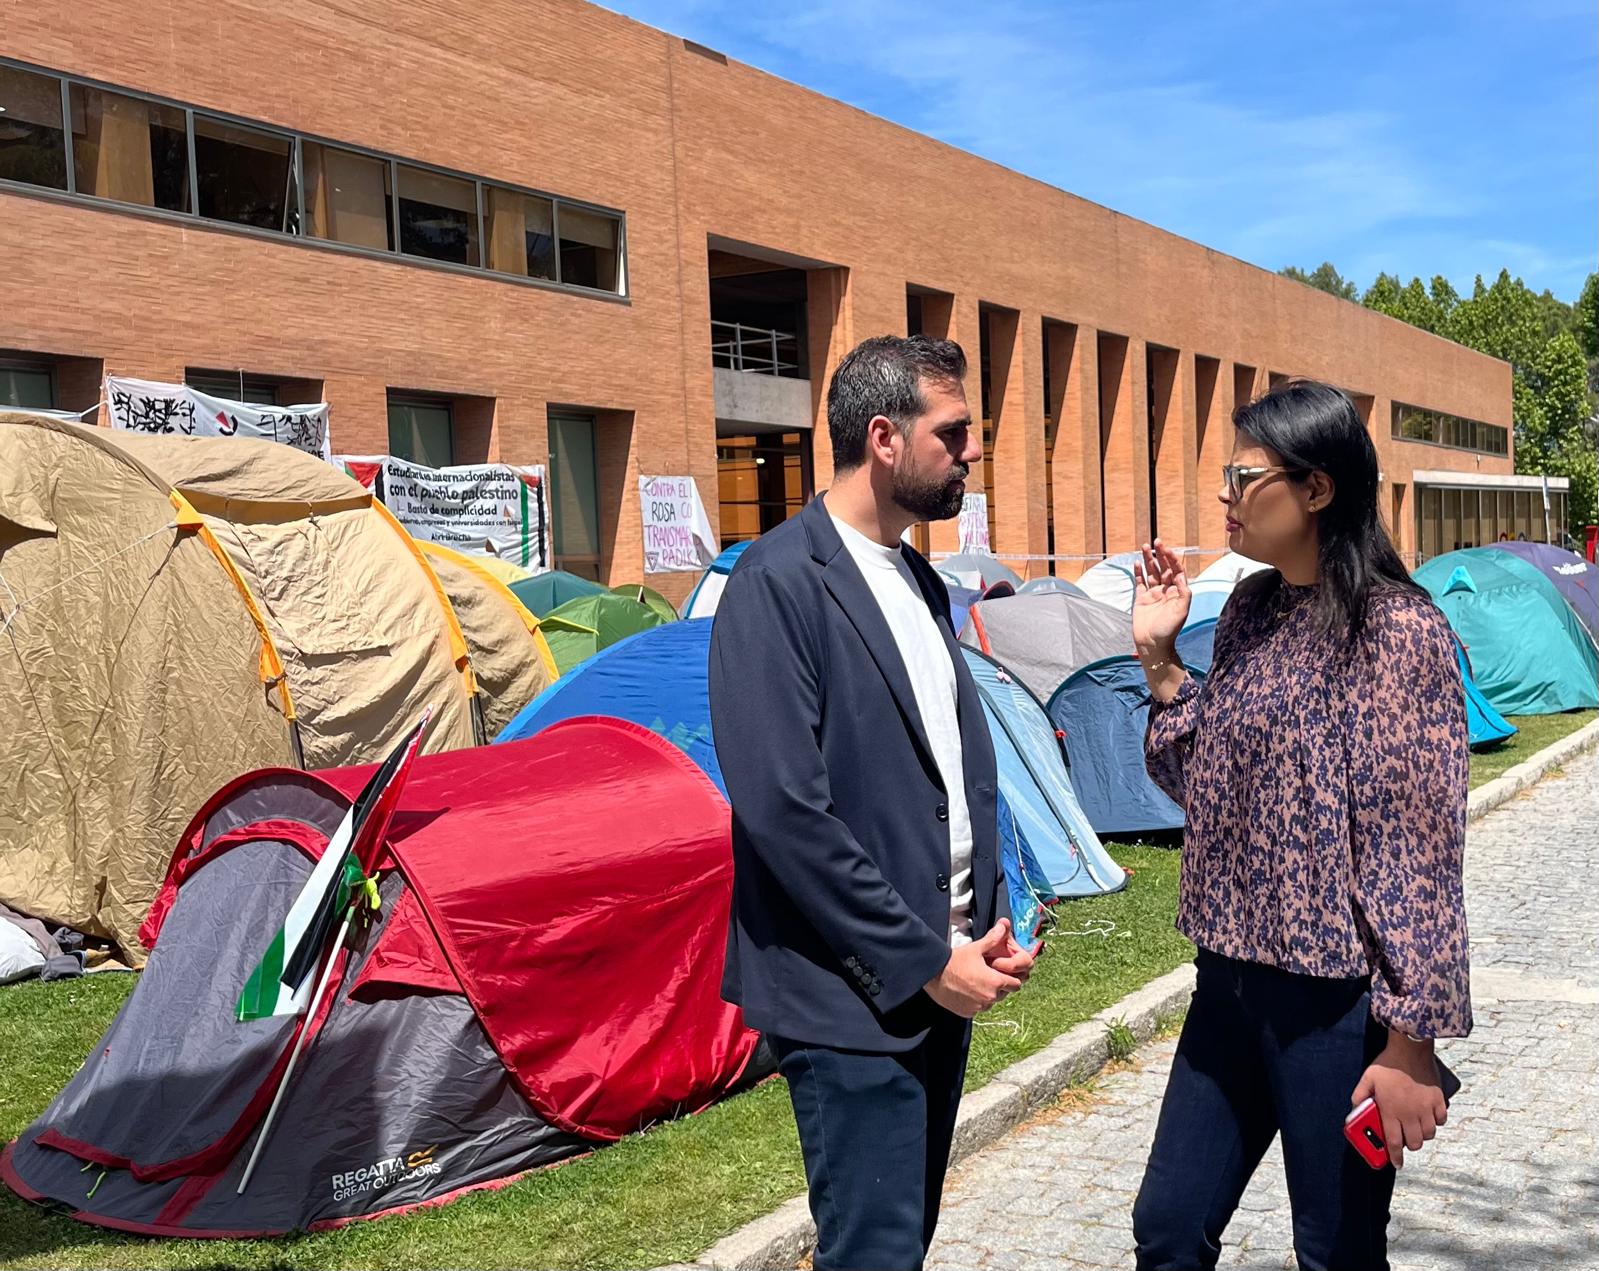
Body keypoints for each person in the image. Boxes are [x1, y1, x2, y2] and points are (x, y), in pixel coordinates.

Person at [709, 335, 1036, 1271]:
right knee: (875, 1250)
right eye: (955, 431)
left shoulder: (918, 576)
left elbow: (942, 773)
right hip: (846, 993)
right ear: (885, 438)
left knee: (901, 1239)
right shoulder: (774, 583)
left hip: (940, 975)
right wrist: (922, 956)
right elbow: (783, 811)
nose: (972, 450)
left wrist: (985, 917)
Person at [1128, 380, 1470, 1271]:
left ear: (1315, 488)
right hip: (1227, 982)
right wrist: (1160, 661)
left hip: (1333, 1006)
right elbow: (1197, 785)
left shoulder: (1396, 632)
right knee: (1167, 1227)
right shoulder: (1249, 608)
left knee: (1336, 1250)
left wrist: (1409, 1042)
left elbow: (1417, 852)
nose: (1224, 495)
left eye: (1244, 474)